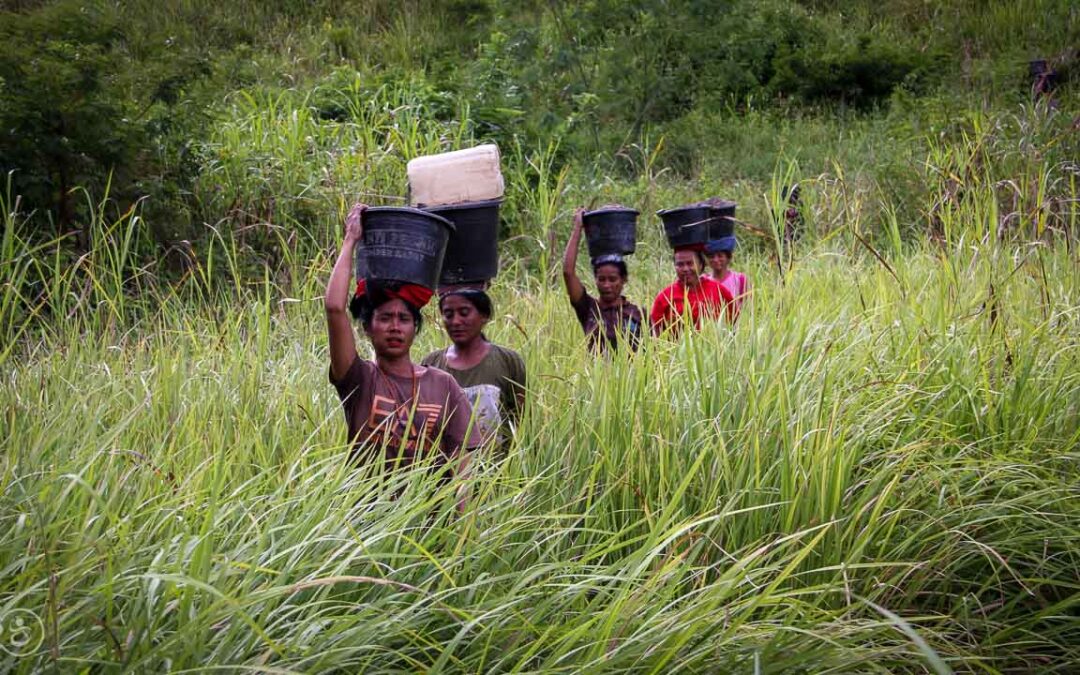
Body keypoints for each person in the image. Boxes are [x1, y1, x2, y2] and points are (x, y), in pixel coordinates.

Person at [325, 203, 482, 476]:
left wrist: (464, 517)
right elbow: (334, 308)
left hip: (429, 516)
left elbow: (462, 463)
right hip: (369, 515)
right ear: (367, 329)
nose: (395, 327)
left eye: (404, 319)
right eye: (385, 318)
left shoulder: (442, 384)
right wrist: (351, 240)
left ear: (415, 328)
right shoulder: (359, 379)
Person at [422, 288, 526, 449]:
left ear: (484, 316)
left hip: (499, 470)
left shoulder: (508, 360)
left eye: (464, 313)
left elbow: (522, 420)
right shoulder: (431, 363)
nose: (456, 321)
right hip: (445, 470)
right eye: (448, 314)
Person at [562, 207, 645, 352]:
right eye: (602, 279)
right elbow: (568, 273)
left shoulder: (636, 314)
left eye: (613, 279)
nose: (607, 285)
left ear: (624, 279)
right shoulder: (588, 309)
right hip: (598, 374)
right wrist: (577, 229)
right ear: (595, 279)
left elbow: (652, 352)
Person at [650, 247, 732, 336]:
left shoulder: (717, 289)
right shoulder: (665, 296)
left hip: (714, 348)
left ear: (700, 264)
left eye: (690, 263)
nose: (685, 269)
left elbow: (734, 320)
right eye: (680, 264)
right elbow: (655, 331)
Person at [703, 237, 749, 321]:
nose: (716, 260)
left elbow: (747, 308)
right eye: (712, 256)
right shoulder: (704, 280)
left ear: (728, 258)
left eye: (720, 256)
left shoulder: (740, 279)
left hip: (735, 327)